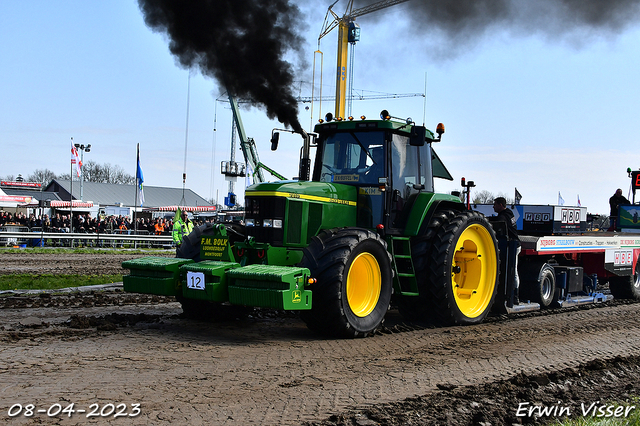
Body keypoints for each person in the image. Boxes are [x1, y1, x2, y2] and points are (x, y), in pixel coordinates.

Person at [493, 197, 521, 304]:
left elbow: (500, 223)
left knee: (512, 272)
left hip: (513, 246)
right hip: (514, 244)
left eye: (495, 204)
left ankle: (514, 296)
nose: (493, 206)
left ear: (500, 205)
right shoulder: (510, 213)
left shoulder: (503, 216)